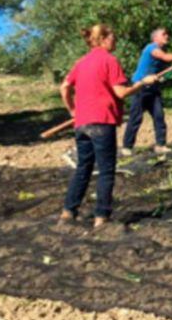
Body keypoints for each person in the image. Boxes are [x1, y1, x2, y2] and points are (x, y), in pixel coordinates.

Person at [59, 24, 156, 228]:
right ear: (102, 39)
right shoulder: (110, 60)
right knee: (106, 170)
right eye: (113, 37)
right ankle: (101, 218)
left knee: (83, 168)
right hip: (102, 122)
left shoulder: (81, 62)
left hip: (82, 124)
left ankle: (68, 212)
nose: (116, 40)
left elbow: (65, 86)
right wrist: (142, 83)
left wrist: (72, 111)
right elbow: (120, 92)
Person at [121, 28, 172, 156]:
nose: (167, 36)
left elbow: (167, 67)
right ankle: (127, 146)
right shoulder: (151, 48)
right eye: (164, 34)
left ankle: (160, 145)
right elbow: (166, 57)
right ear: (155, 38)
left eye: (167, 33)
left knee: (159, 116)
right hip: (140, 88)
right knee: (136, 118)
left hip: (153, 89)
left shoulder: (161, 52)